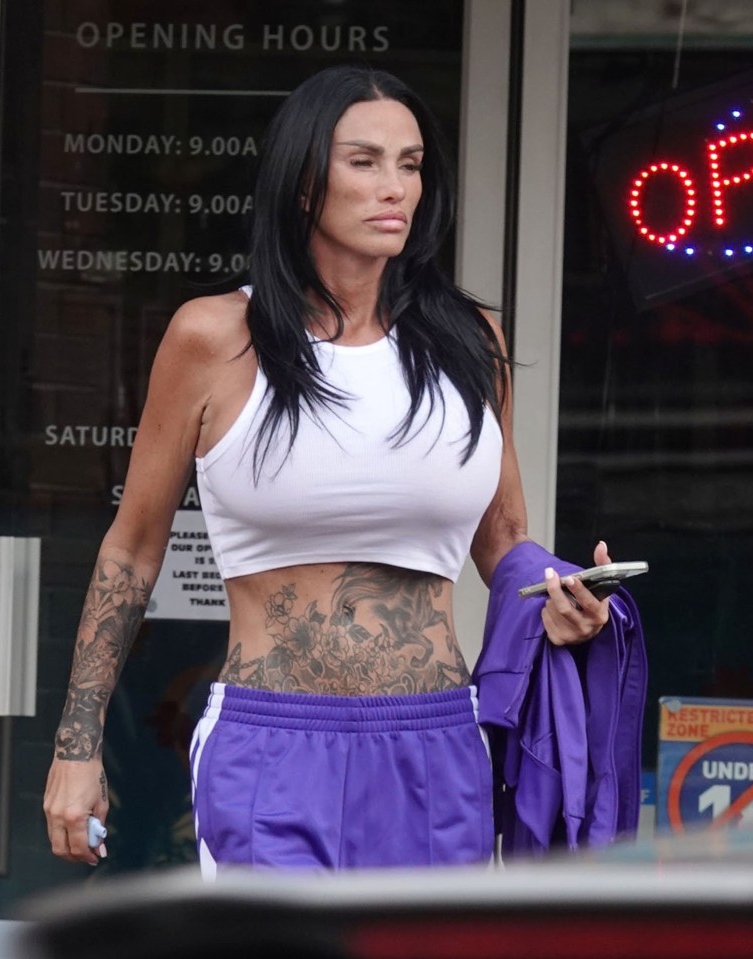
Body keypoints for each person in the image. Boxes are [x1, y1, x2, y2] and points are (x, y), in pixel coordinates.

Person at [43, 65, 615, 872]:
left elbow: (505, 536)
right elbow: (132, 551)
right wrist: (76, 744)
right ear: (303, 181)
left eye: (410, 164)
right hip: (269, 739)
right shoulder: (214, 337)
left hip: (436, 742)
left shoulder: (469, 342)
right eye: (365, 160)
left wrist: (561, 598)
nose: (395, 188)